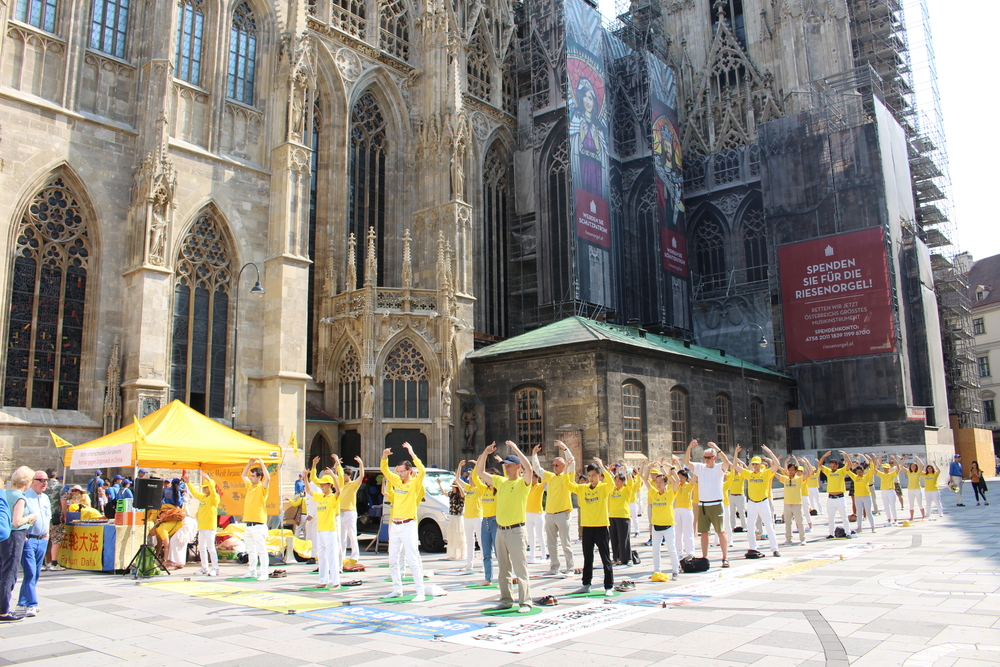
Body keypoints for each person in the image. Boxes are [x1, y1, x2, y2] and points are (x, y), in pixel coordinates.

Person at [476, 441, 534, 613]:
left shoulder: (523, 484)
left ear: (517, 467)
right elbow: (479, 472)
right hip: (501, 531)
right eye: (505, 465)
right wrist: (485, 453)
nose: (506, 468)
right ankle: (506, 600)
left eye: (509, 466)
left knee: (520, 568)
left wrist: (516, 450)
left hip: (516, 531)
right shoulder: (500, 482)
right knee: (503, 569)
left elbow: (529, 469)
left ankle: (525, 602)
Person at [380, 442, 427, 601]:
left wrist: (412, 452)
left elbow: (423, 471)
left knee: (412, 558)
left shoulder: (415, 483)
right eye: (398, 471)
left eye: (402, 471)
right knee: (392, 558)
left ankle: (420, 592)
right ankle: (397, 589)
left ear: (409, 471)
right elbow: (384, 470)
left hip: (408, 524)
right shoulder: (396, 481)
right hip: (395, 524)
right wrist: (385, 456)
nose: (399, 474)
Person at [567, 458, 615, 596]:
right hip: (587, 528)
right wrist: (567, 468)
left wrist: (601, 465)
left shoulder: (603, 488)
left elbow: (611, 483)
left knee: (605, 558)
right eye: (589, 475)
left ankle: (608, 586)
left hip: (601, 527)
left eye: (594, 475)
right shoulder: (583, 488)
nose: (591, 478)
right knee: (588, 558)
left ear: (599, 476)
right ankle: (586, 584)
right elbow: (568, 485)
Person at [532, 440, 576, 576]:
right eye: (553, 465)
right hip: (550, 514)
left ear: (563, 466)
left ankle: (570, 568)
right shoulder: (550, 477)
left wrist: (564, 447)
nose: (554, 467)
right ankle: (554, 567)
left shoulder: (567, 476)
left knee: (565, 543)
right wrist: (534, 454)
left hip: (563, 513)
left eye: (557, 465)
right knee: (551, 544)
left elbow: (572, 462)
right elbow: (538, 469)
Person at [685, 439, 732, 566]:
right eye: (705, 457)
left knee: (721, 532)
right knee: (704, 533)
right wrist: (689, 447)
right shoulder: (700, 468)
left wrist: (717, 447)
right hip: (703, 505)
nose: (706, 459)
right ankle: (705, 557)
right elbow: (686, 462)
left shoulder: (719, 468)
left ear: (714, 458)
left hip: (716, 504)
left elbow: (727, 462)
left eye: (709, 457)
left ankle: (725, 557)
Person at [1, 467, 38, 623]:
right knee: (9, 573)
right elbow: (16, 522)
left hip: (5, 536)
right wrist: (30, 517)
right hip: (15, 536)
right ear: (27, 481)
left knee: (3, 571)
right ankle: (3, 611)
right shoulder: (19, 497)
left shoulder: (7, 493)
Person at [14, 471, 51, 618]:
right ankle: (31, 604)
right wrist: (24, 536)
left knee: (35, 573)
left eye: (46, 480)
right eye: (41, 480)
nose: (44, 483)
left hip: (42, 539)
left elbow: (47, 517)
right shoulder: (25, 497)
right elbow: (20, 518)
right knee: (30, 572)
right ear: (32, 481)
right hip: (29, 538)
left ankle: (22, 602)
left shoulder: (46, 498)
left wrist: (47, 535)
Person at [735, 449, 780, 557]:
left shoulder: (765, 474)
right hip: (752, 503)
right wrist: (736, 453)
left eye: (757, 464)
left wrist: (770, 452)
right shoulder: (749, 474)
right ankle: (752, 547)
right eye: (753, 464)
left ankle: (774, 548)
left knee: (769, 525)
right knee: (750, 526)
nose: (755, 466)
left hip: (763, 502)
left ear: (760, 464)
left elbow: (777, 465)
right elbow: (735, 466)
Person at [307, 458, 343, 589]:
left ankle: (336, 582)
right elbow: (309, 491)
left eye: (323, 485)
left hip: (329, 530)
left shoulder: (332, 497)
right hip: (320, 529)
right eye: (321, 485)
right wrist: (308, 474)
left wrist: (333, 476)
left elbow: (339, 491)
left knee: (331, 556)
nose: (321, 486)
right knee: (321, 556)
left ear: (329, 485)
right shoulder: (320, 497)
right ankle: (323, 580)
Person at [641, 458, 680, 579]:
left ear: (665, 483)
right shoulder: (653, 493)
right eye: (657, 482)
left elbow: (677, 481)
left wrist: (669, 468)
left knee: (671, 549)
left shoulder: (670, 494)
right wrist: (647, 467)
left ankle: (675, 570)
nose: (658, 484)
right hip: (656, 526)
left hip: (668, 525)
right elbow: (644, 479)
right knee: (655, 550)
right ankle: (657, 570)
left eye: (661, 482)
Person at [240, 457, 271, 582]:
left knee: (261, 550)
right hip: (248, 524)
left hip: (258, 524)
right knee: (250, 550)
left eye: (253, 476)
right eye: (251, 475)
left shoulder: (261, 488)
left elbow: (268, 478)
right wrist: (249, 464)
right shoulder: (249, 487)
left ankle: (264, 572)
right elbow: (243, 475)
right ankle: (252, 571)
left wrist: (262, 463)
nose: (251, 477)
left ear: (259, 477)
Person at [184, 472, 220, 576]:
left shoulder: (214, 498)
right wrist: (188, 483)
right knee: (202, 548)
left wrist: (209, 479)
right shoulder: (203, 497)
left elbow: (213, 491)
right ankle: (204, 568)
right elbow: (194, 493)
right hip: (202, 527)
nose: (204, 489)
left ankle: (215, 568)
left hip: (210, 527)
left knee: (211, 548)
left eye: (206, 487)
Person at [473, 463, 498, 587]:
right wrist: (478, 464)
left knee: (499, 553)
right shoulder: (483, 489)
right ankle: (488, 578)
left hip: (496, 522)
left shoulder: (500, 491)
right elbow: (475, 477)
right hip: (485, 521)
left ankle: (504, 579)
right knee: (486, 553)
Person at [777, 458, 810, 546]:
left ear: (795, 471)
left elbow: (809, 474)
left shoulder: (799, 479)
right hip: (787, 504)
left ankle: (802, 539)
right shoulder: (785, 479)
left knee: (799, 522)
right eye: (789, 470)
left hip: (797, 504)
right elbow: (774, 474)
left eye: (792, 470)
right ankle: (788, 539)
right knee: (788, 523)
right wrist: (774, 464)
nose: (791, 471)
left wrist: (805, 463)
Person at [337, 456, 365, 562]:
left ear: (349, 476)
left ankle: (355, 555)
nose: (343, 476)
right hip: (341, 512)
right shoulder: (341, 485)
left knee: (352, 535)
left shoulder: (353, 484)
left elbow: (361, 476)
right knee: (342, 536)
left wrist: (361, 464)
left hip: (350, 512)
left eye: (344, 475)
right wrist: (336, 464)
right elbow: (336, 476)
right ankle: (342, 555)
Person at [819, 450, 851, 537]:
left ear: (837, 466)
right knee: (830, 518)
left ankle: (848, 533)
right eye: (831, 466)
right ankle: (831, 533)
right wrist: (824, 456)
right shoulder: (828, 471)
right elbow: (820, 465)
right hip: (831, 498)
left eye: (834, 466)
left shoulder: (841, 471)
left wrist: (846, 455)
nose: (832, 467)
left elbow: (849, 466)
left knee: (844, 517)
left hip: (840, 498)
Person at [607, 464, 633, 566]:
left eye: (618, 481)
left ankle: (627, 558)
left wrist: (627, 469)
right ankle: (616, 558)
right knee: (614, 539)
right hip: (612, 516)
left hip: (623, 516)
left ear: (622, 482)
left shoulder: (626, 489)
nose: (616, 482)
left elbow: (630, 481)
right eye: (615, 480)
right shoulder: (612, 490)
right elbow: (609, 480)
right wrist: (609, 470)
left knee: (624, 538)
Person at [459, 462, 483, 572]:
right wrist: (459, 467)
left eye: (472, 478)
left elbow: (480, 475)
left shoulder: (479, 489)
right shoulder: (468, 488)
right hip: (467, 517)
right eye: (469, 478)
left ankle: (484, 564)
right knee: (469, 541)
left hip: (478, 517)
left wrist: (477, 465)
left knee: (481, 541)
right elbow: (458, 480)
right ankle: (469, 564)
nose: (470, 480)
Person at [846, 453, 876, 534]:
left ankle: (873, 527)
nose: (859, 473)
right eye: (858, 472)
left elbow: (872, 468)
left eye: (860, 472)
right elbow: (847, 470)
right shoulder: (855, 477)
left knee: (868, 512)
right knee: (859, 513)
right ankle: (859, 527)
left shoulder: (866, 477)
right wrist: (847, 460)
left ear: (863, 471)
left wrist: (870, 460)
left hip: (866, 496)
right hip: (857, 497)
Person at [442, 462, 466, 561]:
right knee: (452, 535)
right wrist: (439, 484)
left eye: (454, 488)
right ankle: (454, 554)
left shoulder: (461, 496)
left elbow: (462, 491)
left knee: (459, 535)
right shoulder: (451, 495)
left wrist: (458, 484)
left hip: (458, 516)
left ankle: (462, 554)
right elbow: (443, 492)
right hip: (452, 516)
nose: (452, 488)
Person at [525, 467, 546, 564]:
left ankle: (543, 555)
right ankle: (532, 556)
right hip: (528, 513)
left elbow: (546, 479)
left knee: (540, 535)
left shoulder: (540, 486)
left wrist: (537, 470)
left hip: (538, 513)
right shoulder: (528, 487)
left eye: (533, 477)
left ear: (537, 478)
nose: (532, 479)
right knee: (531, 536)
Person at [673, 470, 695, 558]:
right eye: (679, 477)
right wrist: (670, 468)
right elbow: (670, 477)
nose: (680, 479)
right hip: (677, 509)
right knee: (677, 531)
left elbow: (693, 479)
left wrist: (687, 476)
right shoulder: (676, 486)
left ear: (686, 477)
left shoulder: (689, 485)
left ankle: (690, 551)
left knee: (688, 530)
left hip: (687, 509)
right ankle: (678, 551)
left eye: (682, 477)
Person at [875, 456, 900, 526]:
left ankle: (895, 520)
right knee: (886, 506)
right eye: (884, 468)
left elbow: (898, 468)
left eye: (886, 468)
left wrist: (895, 460)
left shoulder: (891, 474)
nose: (885, 469)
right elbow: (875, 470)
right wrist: (876, 461)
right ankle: (889, 520)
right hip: (883, 491)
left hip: (891, 490)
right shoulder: (882, 474)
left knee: (893, 506)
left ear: (889, 468)